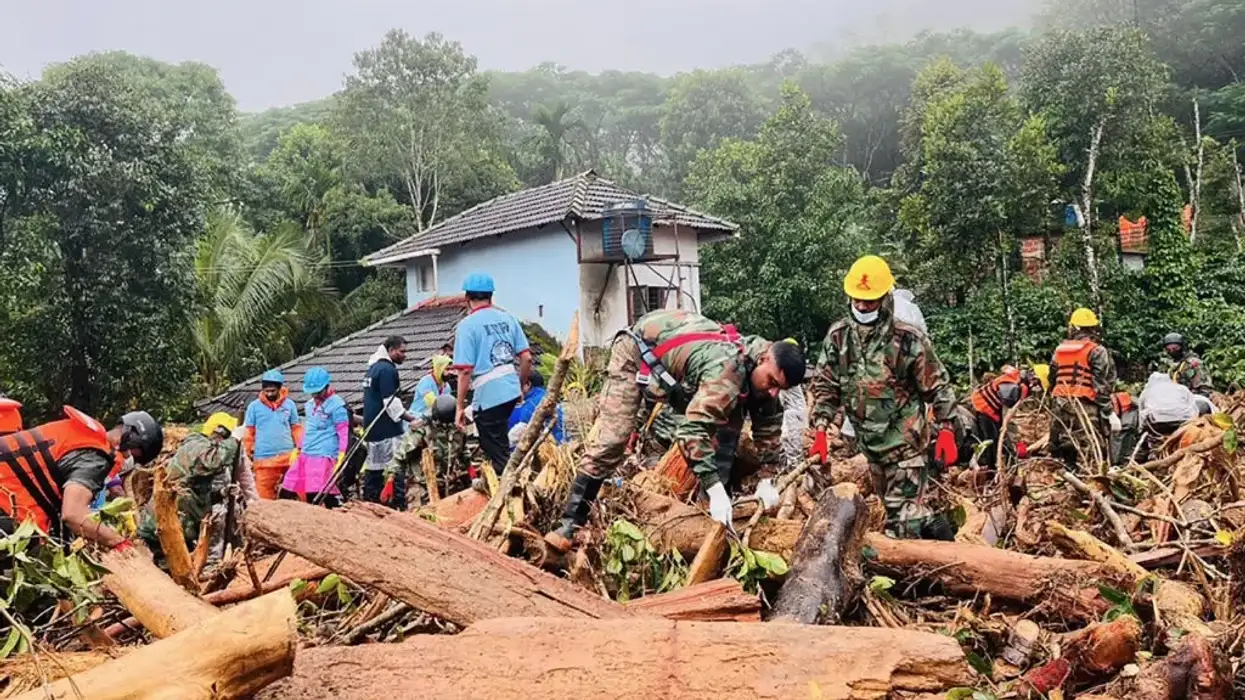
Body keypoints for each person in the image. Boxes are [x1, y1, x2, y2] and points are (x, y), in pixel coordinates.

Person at [544, 308, 805, 553]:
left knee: (726, 436)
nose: (773, 392)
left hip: (682, 353)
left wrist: (767, 478)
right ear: (763, 358)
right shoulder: (727, 372)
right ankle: (569, 523)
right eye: (771, 382)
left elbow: (768, 425)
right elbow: (690, 432)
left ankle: (710, 517)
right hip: (638, 350)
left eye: (780, 388)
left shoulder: (762, 374)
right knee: (615, 439)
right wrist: (715, 488)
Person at [808, 255, 958, 540]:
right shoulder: (839, 338)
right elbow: (826, 385)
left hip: (905, 444)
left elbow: (937, 385)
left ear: (886, 297)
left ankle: (915, 576)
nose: (863, 307)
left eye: (870, 301)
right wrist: (820, 427)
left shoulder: (908, 339)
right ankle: (936, 529)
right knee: (899, 512)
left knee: (900, 530)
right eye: (857, 300)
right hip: (871, 447)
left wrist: (948, 428)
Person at [0, 407, 162, 548]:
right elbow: (73, 515)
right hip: (5, 506)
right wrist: (117, 542)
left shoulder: (83, 436)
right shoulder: (96, 458)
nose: (128, 458)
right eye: (133, 454)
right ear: (130, 438)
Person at [137, 412, 250, 559]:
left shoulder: (202, 449)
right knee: (170, 570)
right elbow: (214, 460)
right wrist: (234, 440)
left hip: (180, 524)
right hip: (164, 526)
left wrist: (221, 493)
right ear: (219, 433)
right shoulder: (196, 446)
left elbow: (198, 495)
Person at [453, 272, 532, 477]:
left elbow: (465, 371)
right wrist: (520, 386)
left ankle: (511, 489)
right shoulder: (508, 319)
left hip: (488, 395)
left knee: (495, 451)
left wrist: (460, 406)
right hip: (510, 389)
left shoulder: (467, 326)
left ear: (467, 299)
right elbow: (526, 359)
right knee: (500, 441)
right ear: (491, 297)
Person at [1048, 308, 1118, 470]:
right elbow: (1100, 385)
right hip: (1084, 403)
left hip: (1060, 402)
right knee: (1094, 443)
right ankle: (1096, 476)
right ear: (1093, 328)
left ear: (1073, 327)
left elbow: (1053, 378)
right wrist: (1109, 411)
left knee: (1065, 441)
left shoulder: (1059, 350)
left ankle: (1069, 473)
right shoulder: (1097, 351)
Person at [362, 336, 419, 509]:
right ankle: (397, 506)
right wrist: (412, 420)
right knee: (394, 469)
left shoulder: (372, 369)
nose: (404, 355)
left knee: (374, 469)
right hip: (387, 430)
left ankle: (370, 503)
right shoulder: (387, 370)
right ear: (391, 350)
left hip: (372, 430)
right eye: (402, 351)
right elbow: (391, 402)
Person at [384, 394, 473, 504]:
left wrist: (470, 469)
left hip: (449, 483)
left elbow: (463, 450)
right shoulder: (422, 431)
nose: (446, 425)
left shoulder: (457, 430)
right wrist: (391, 479)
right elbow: (400, 456)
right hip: (422, 484)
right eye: (443, 423)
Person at [281, 368, 348, 508]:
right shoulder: (310, 405)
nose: (316, 395)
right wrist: (298, 448)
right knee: (289, 485)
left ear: (326, 386)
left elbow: (343, 431)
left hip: (323, 454)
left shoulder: (337, 406)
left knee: (319, 491)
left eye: (319, 392)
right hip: (307, 452)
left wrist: (342, 453)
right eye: (313, 393)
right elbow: (308, 428)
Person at [966, 365, 1046, 470]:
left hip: (992, 411)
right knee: (991, 441)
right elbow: (1006, 409)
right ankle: (992, 469)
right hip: (983, 408)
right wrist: (1004, 426)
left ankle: (1009, 465)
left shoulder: (1018, 383)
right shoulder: (1012, 386)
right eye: (1036, 384)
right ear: (1033, 378)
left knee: (999, 439)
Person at [242, 369, 303, 500]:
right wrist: (246, 455)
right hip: (264, 460)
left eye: (273, 391)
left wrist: (301, 446)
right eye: (266, 391)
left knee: (298, 493)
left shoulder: (290, 405)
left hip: (288, 457)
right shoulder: (254, 407)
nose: (269, 394)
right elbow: (248, 433)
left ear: (280, 388)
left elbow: (296, 428)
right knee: (264, 499)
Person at [508, 371, 566, 445]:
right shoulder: (547, 397)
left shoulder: (531, 404)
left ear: (528, 384)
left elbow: (520, 431)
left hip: (549, 447)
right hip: (562, 443)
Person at [1159, 333, 1213, 397]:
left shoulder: (1194, 363)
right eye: (1168, 349)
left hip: (1191, 399)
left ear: (1182, 347)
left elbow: (1205, 390)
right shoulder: (1168, 365)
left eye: (1175, 348)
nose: (1172, 351)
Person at [414, 355, 453, 419]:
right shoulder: (426, 382)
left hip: (433, 420)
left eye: (452, 369)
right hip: (417, 418)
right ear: (439, 368)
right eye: (447, 369)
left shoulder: (447, 387)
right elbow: (433, 403)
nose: (450, 372)